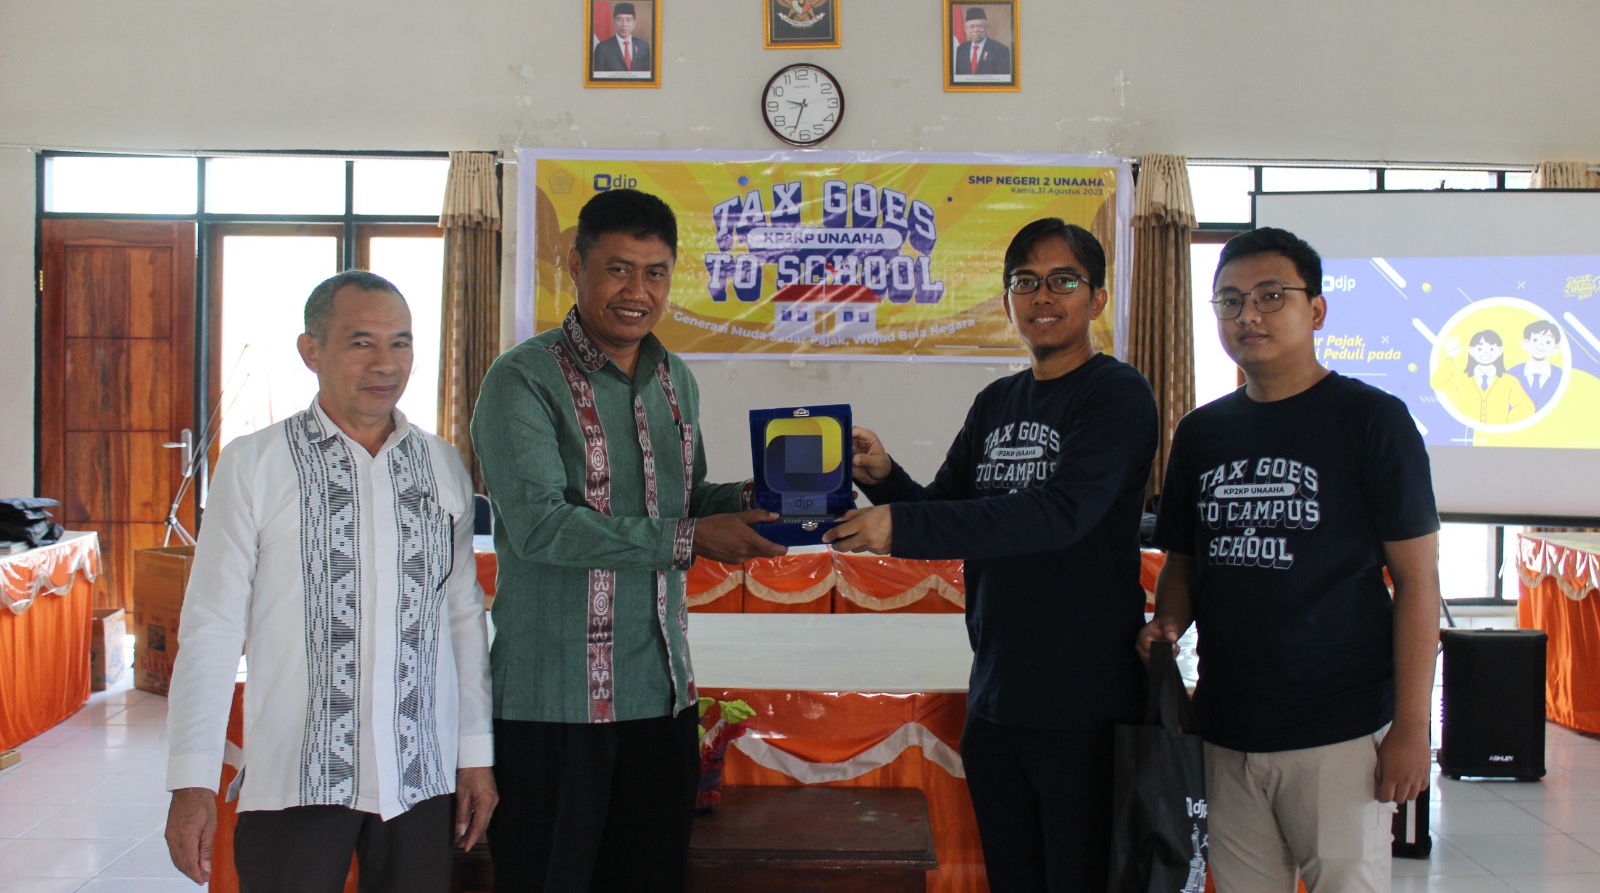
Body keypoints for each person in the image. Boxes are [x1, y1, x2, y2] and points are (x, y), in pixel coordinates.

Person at [826, 218, 1157, 892]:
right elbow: (944, 510)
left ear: (1096, 298)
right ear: (1008, 301)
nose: (1043, 296)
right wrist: (884, 479)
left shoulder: (1117, 394)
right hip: (997, 696)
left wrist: (901, 525)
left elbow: (1061, 514)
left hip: (1085, 703)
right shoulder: (997, 400)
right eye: (1025, 282)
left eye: (1063, 281)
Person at [471, 188, 783, 891]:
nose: (637, 292)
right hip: (555, 704)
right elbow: (542, 527)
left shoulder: (676, 379)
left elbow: (684, 501)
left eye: (655, 273)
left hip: (661, 694)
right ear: (576, 266)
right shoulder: (522, 379)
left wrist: (771, 500)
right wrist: (691, 538)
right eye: (618, 269)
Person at [164, 270, 496, 892]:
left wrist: (476, 756)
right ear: (310, 351)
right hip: (296, 773)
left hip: (419, 773)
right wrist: (192, 779)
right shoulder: (254, 464)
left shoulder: (441, 466)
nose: (385, 363)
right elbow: (212, 626)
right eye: (360, 342)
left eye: (401, 342)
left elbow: (462, 619)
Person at [1140, 227, 1440, 893]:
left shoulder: (1373, 421)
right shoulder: (1201, 433)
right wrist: (1168, 624)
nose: (1248, 314)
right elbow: (1183, 564)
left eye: (1271, 296)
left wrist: (1412, 728)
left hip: (1339, 734)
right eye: (1230, 301)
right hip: (1225, 727)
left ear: (1317, 309)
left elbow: (1418, 583)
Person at [1430, 327, 1535, 425]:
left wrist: (1506, 422)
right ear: (1471, 351)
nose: (1485, 353)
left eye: (1491, 349)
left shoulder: (1509, 381)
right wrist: (1450, 358)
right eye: (1480, 349)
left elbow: (1527, 407)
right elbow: (1436, 383)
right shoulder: (1461, 378)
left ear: (1499, 351)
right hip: (1467, 434)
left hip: (1496, 436)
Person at [1512, 319, 1563, 410]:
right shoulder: (1512, 374)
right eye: (1535, 340)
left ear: (1555, 349)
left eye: (1548, 342)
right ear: (1525, 344)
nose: (1541, 345)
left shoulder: (1560, 376)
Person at [591, 0, 652, 74]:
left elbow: (647, 75)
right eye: (619, 19)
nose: (624, 24)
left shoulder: (643, 46)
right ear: (613, 22)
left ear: (634, 23)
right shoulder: (602, 48)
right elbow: (598, 78)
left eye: (628, 20)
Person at [953, 6, 1012, 77]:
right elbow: (958, 78)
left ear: (986, 27)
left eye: (980, 26)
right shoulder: (961, 49)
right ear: (965, 29)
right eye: (971, 26)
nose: (976, 30)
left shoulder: (1001, 50)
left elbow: (1003, 80)